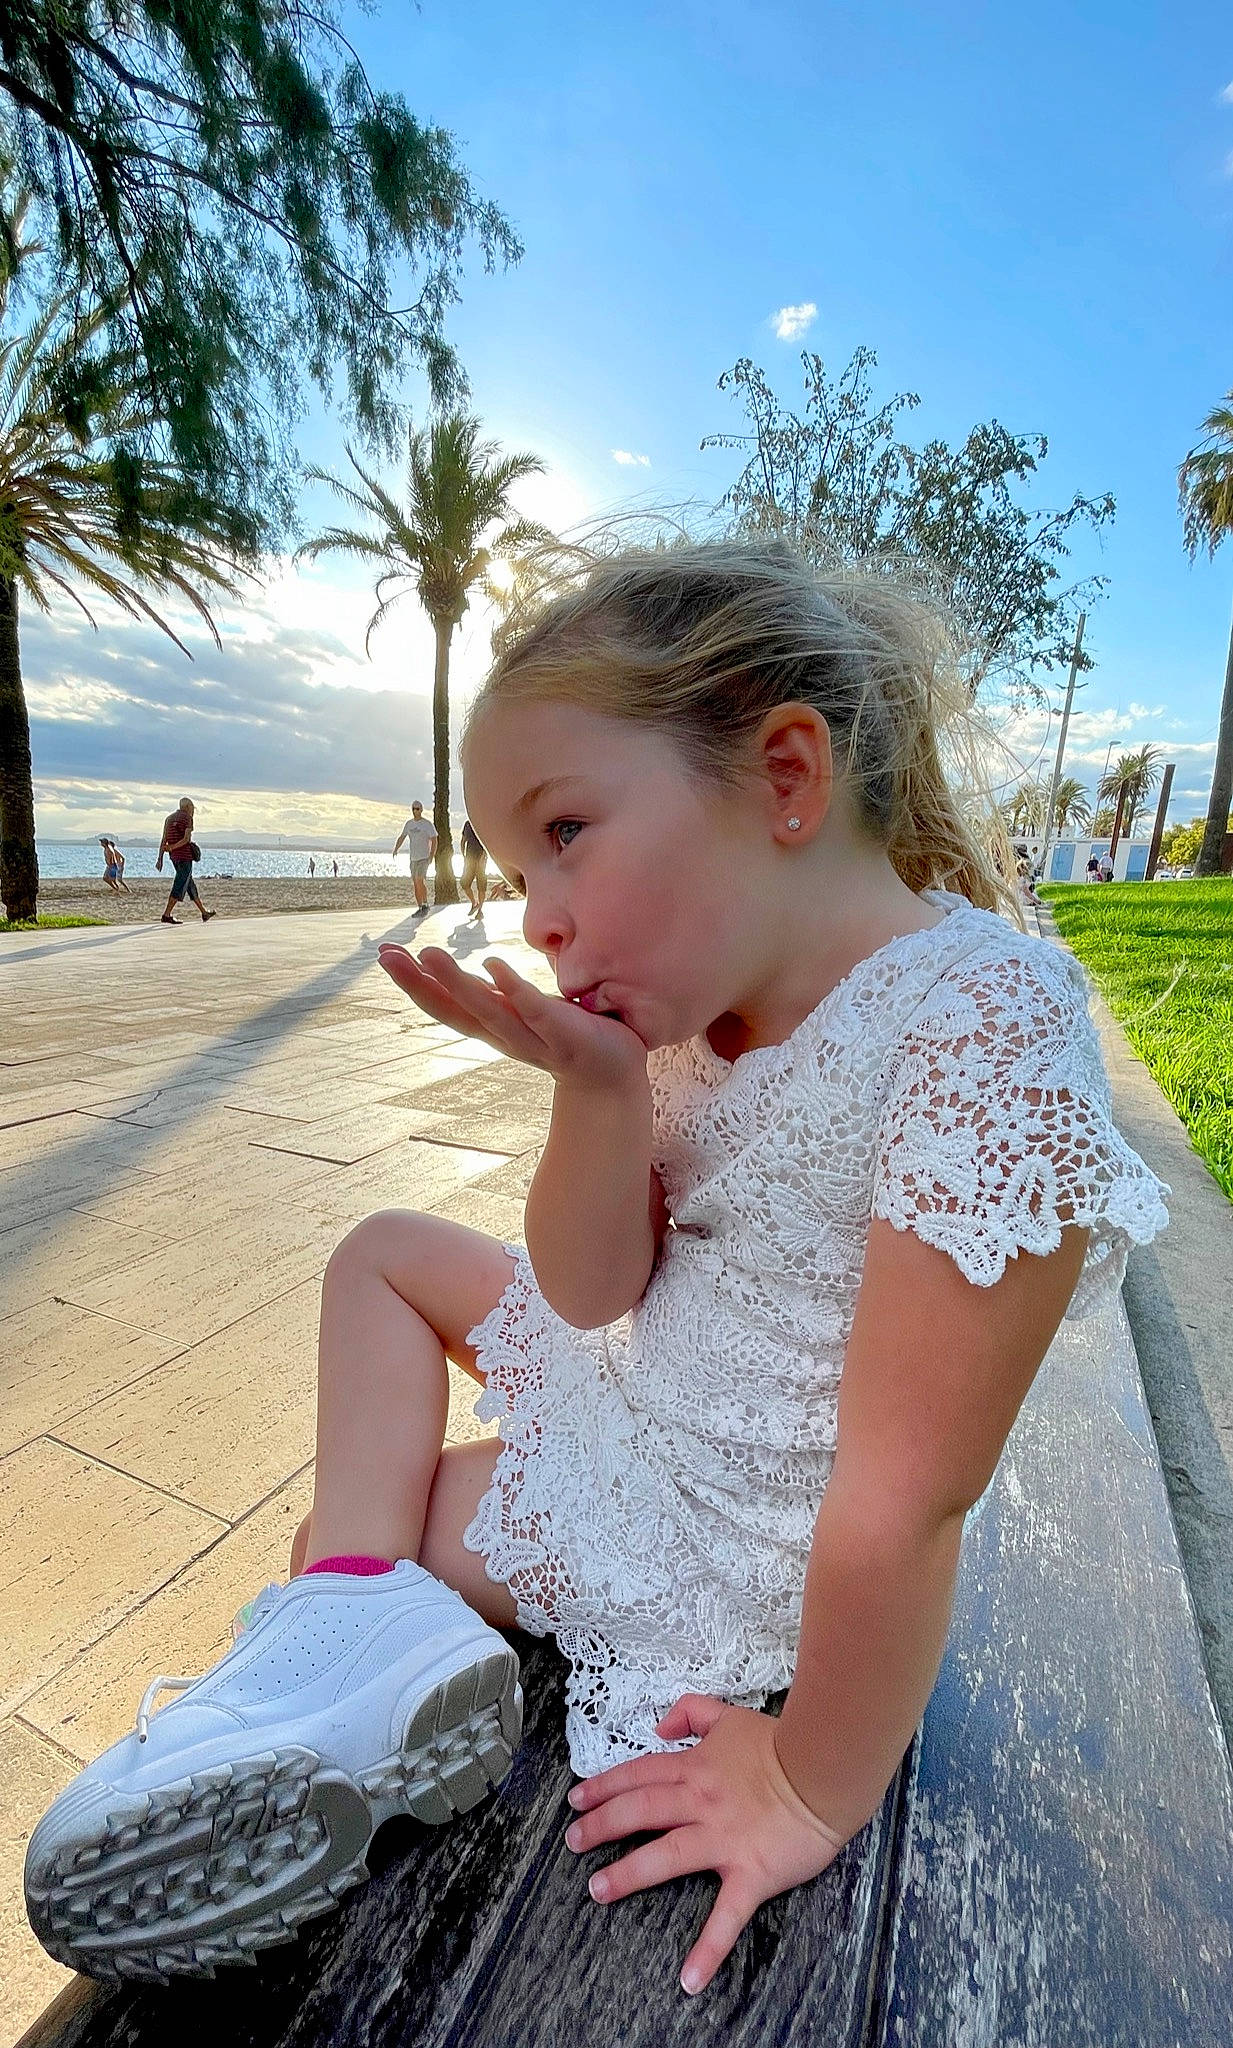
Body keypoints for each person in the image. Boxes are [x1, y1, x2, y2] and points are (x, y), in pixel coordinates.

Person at [27, 544, 1170, 1994]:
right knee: (381, 1261)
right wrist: (601, 1092)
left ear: (785, 776)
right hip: (646, 1396)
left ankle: (336, 1660)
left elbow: (908, 1492)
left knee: (357, 1528)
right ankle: (345, 1638)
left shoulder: (983, 1024)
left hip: (735, 1534)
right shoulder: (698, 1008)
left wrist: (809, 1783)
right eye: (521, 869)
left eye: (566, 831)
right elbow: (591, 1291)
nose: (538, 915)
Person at [155, 797, 216, 925]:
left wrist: (160, 858)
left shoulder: (169, 818)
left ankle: (204, 912)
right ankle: (166, 915)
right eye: (192, 808)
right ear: (188, 807)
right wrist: (173, 847)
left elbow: (164, 839)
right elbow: (186, 839)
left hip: (174, 857)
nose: (193, 811)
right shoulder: (187, 818)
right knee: (179, 884)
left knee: (189, 884)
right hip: (184, 857)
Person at [393, 800, 437, 916]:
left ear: (421, 810)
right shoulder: (409, 824)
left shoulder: (427, 824)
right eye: (413, 809)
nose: (415, 811)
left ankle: (425, 903)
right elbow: (402, 837)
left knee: (419, 880)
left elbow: (434, 839)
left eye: (417, 809)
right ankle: (420, 906)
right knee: (415, 883)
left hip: (424, 857)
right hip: (413, 858)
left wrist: (432, 855)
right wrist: (396, 848)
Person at [460, 816, 489, 921]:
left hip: (481, 859)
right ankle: (474, 903)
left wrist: (483, 857)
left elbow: (487, 843)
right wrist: (463, 855)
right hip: (469, 859)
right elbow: (463, 840)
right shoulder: (467, 824)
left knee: (481, 886)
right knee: (464, 883)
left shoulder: (483, 823)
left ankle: (480, 910)